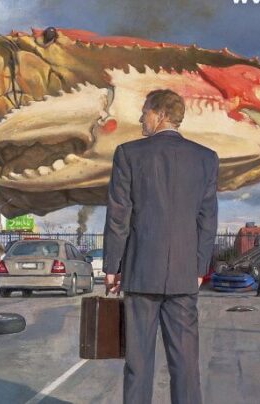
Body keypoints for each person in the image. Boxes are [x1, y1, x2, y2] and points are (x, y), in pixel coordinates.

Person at [103, 89, 218, 404]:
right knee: (186, 365)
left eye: (145, 111)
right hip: (184, 275)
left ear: (160, 114)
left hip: (141, 273)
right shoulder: (206, 158)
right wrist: (199, 268)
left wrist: (112, 267)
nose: (141, 117)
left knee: (138, 365)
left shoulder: (128, 154)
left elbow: (118, 216)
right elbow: (207, 219)